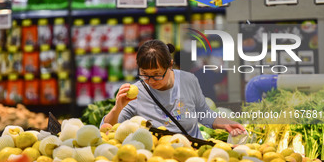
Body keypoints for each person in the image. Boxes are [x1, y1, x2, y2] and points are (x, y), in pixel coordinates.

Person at [102, 39, 245, 139]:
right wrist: (117, 108)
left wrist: (226, 124)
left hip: (194, 155)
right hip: (158, 159)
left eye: (157, 75)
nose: (151, 81)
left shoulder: (188, 80)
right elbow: (106, 129)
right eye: (145, 75)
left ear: (170, 65)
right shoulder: (137, 93)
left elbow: (203, 112)